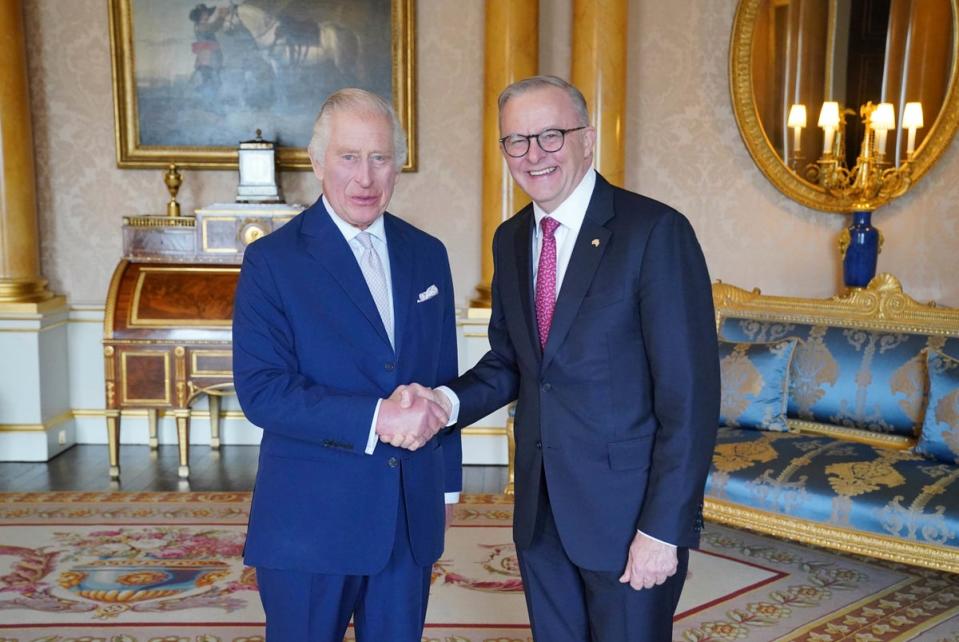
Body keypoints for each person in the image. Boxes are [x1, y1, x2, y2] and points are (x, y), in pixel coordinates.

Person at [405, 75, 720, 640]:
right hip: (541, 512)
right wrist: (443, 403)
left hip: (628, 519)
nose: (533, 155)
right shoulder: (510, 238)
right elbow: (512, 362)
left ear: (587, 139)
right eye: (516, 141)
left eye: (550, 136)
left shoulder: (654, 232)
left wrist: (663, 529)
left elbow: (690, 398)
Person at [232, 88, 461, 641]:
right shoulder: (272, 261)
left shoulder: (428, 253)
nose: (366, 177)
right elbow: (263, 391)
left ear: (398, 164)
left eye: (380, 157)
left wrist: (445, 490)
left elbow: (443, 376)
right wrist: (376, 418)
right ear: (316, 163)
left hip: (408, 517)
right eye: (349, 157)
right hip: (310, 523)